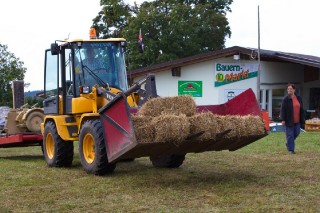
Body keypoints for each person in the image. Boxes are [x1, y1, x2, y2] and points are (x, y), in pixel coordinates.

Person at [280, 83, 305, 154]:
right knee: (290, 135)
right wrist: (283, 119)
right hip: (289, 120)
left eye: (291, 89)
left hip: (297, 120)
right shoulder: (285, 99)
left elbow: (301, 109)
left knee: (297, 133)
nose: (289, 90)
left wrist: (303, 118)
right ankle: (291, 150)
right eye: (288, 89)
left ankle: (289, 143)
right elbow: (283, 109)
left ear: (294, 90)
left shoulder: (299, 98)